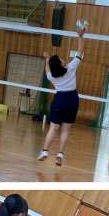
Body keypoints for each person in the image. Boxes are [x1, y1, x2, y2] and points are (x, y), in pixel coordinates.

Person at [37, 25, 86, 167]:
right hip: (72, 100)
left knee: (53, 128)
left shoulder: (52, 77)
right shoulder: (71, 68)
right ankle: (60, 155)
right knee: (66, 130)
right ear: (60, 63)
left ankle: (45, 152)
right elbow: (80, 51)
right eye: (60, 58)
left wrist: (47, 59)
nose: (63, 58)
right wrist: (80, 36)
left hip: (59, 100)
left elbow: (47, 70)